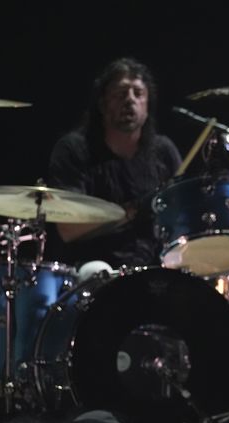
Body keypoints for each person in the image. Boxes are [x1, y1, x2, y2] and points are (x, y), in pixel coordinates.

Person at [48, 57, 181, 268]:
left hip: (154, 268)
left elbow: (182, 218)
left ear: (147, 106)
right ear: (102, 104)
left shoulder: (163, 151)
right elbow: (68, 228)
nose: (130, 100)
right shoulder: (74, 149)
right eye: (120, 94)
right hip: (94, 271)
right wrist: (135, 209)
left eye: (138, 93)